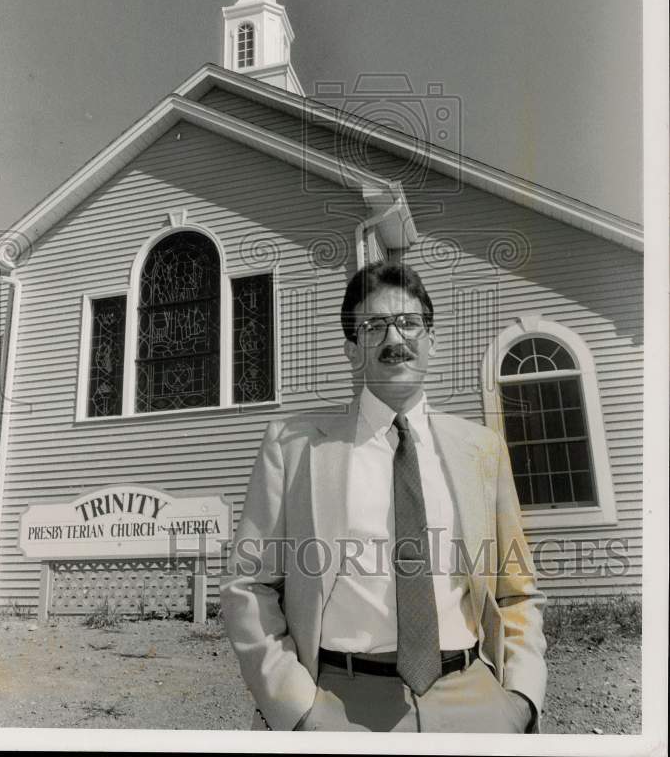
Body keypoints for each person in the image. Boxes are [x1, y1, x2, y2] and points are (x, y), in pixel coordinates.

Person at [221, 261, 547, 733]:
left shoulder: (482, 450)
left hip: (476, 698)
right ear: (353, 349)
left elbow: (516, 588)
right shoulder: (294, 447)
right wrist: (298, 709)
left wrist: (519, 699)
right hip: (340, 703)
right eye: (374, 326)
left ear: (431, 339)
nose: (396, 339)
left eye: (409, 323)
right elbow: (247, 586)